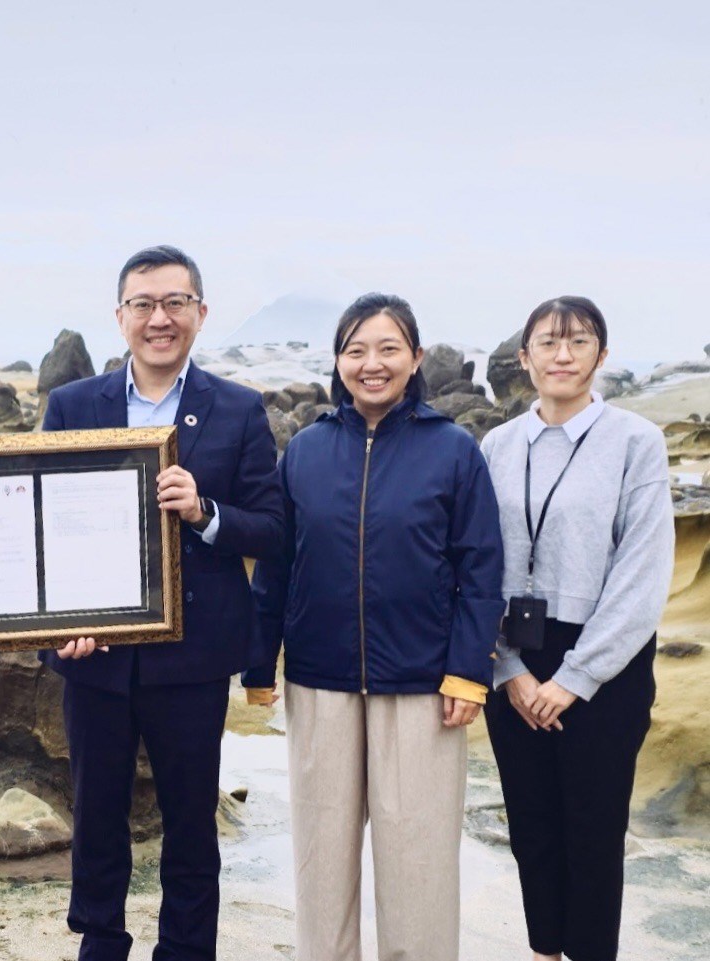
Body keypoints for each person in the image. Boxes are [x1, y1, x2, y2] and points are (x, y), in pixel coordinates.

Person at [241, 292, 504, 961]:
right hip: (319, 679)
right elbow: (276, 560)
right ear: (337, 360)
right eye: (357, 349)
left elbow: (480, 569)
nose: (372, 363)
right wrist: (257, 662)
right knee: (320, 856)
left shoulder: (453, 451)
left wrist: (469, 671)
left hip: (422, 684)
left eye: (389, 348)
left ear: (416, 359)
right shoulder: (303, 451)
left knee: (417, 859)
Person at [43, 245, 285, 961]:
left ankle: (185, 948)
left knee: (189, 819)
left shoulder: (239, 409)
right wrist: (56, 634)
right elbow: (45, 523)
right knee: (96, 815)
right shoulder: (73, 403)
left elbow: (272, 528)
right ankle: (102, 940)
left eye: (175, 303)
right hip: (96, 655)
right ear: (120, 317)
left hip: (195, 657)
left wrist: (206, 510)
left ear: (200, 314)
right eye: (143, 304)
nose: (160, 318)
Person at [480, 296, 673, 961]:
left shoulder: (636, 442)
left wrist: (575, 677)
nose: (563, 355)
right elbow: (478, 564)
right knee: (531, 825)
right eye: (549, 342)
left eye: (579, 341)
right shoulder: (497, 445)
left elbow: (642, 572)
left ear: (602, 355)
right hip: (515, 653)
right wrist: (509, 669)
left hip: (604, 661)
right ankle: (542, 951)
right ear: (523, 356)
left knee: (593, 831)